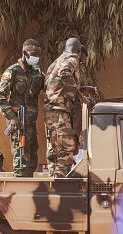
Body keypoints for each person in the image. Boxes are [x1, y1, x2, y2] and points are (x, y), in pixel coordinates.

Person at [44, 37, 96, 177]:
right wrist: (81, 96)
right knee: (66, 151)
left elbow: (55, 83)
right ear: (79, 52)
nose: (81, 63)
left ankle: (52, 182)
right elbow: (65, 73)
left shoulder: (56, 61)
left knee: (55, 151)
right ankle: (60, 188)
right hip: (60, 111)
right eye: (82, 61)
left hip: (51, 110)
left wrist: (81, 89)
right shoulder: (72, 58)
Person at [0, 39, 44, 177]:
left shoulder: (37, 73)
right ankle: (20, 190)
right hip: (18, 123)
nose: (36, 57)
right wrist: (12, 117)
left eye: (38, 54)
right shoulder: (12, 72)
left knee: (32, 160)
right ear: (24, 53)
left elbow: (49, 86)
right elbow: (1, 98)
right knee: (21, 159)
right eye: (33, 54)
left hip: (31, 124)